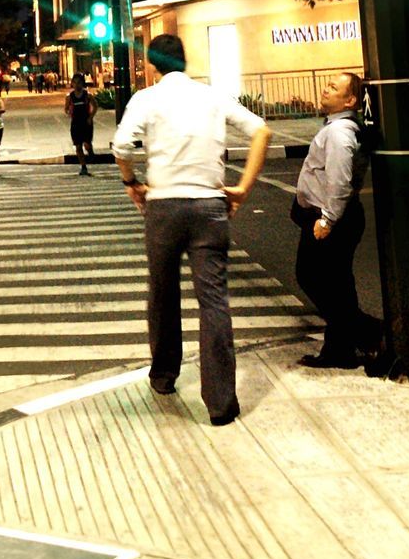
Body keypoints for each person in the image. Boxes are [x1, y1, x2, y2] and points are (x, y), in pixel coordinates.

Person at [113, 33, 272, 427]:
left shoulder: (146, 99)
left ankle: (164, 376)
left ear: (152, 64)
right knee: (213, 302)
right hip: (209, 206)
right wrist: (243, 188)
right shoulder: (211, 97)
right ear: (185, 61)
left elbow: (122, 147)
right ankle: (220, 403)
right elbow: (261, 132)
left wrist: (132, 183)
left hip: (164, 205)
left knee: (162, 293)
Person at [292, 71, 382, 369]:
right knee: (337, 285)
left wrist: (328, 220)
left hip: (329, 220)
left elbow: (339, 181)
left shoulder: (340, 133)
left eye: (334, 87)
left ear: (350, 99)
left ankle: (369, 333)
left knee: (313, 277)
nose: (325, 90)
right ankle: (340, 350)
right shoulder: (339, 128)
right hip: (331, 216)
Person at [65, 73, 98, 176]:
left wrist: (90, 117)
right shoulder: (70, 97)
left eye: (79, 82)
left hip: (86, 122)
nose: (76, 85)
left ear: (82, 83)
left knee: (87, 144)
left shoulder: (87, 95)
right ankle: (83, 167)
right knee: (78, 146)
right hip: (76, 123)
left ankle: (91, 152)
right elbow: (66, 109)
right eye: (74, 82)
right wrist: (69, 113)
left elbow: (95, 106)